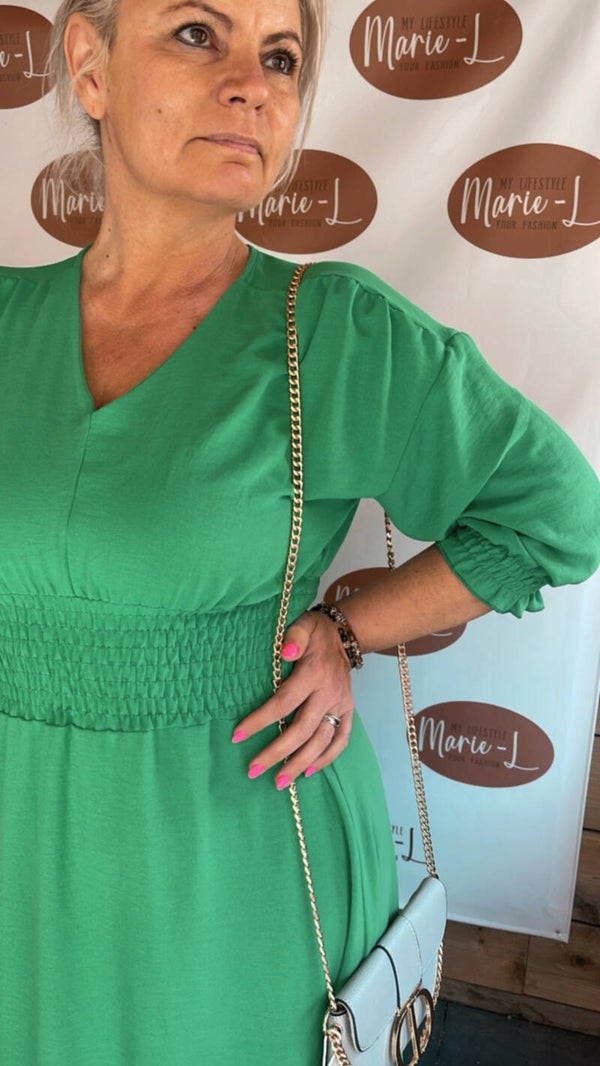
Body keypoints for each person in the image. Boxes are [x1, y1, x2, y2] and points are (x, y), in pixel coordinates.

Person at [0, 1, 598, 1063]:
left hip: (241, 863)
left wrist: (350, 629)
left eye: (281, 57)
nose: (252, 84)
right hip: (25, 854)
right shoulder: (7, 325)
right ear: (89, 66)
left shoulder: (329, 332)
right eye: (198, 33)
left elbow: (555, 515)